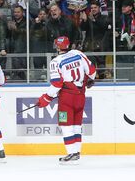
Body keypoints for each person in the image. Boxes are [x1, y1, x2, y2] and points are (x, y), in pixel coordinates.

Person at [37, 36, 96, 164]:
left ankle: (71, 153)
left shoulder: (55, 62)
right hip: (81, 95)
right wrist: (89, 79)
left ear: (57, 47)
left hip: (67, 97)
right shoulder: (78, 54)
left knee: (66, 125)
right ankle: (77, 152)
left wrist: (45, 98)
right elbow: (92, 71)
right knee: (76, 125)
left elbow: (57, 84)